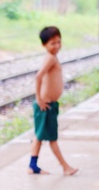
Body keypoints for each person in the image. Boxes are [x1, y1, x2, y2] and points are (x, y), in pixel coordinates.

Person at [28, 25, 77, 176]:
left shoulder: (52, 57)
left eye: (58, 42)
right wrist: (39, 99)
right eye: (52, 43)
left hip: (49, 105)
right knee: (51, 139)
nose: (57, 46)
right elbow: (38, 77)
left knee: (40, 136)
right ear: (44, 45)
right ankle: (65, 167)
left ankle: (33, 166)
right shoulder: (50, 58)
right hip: (46, 106)